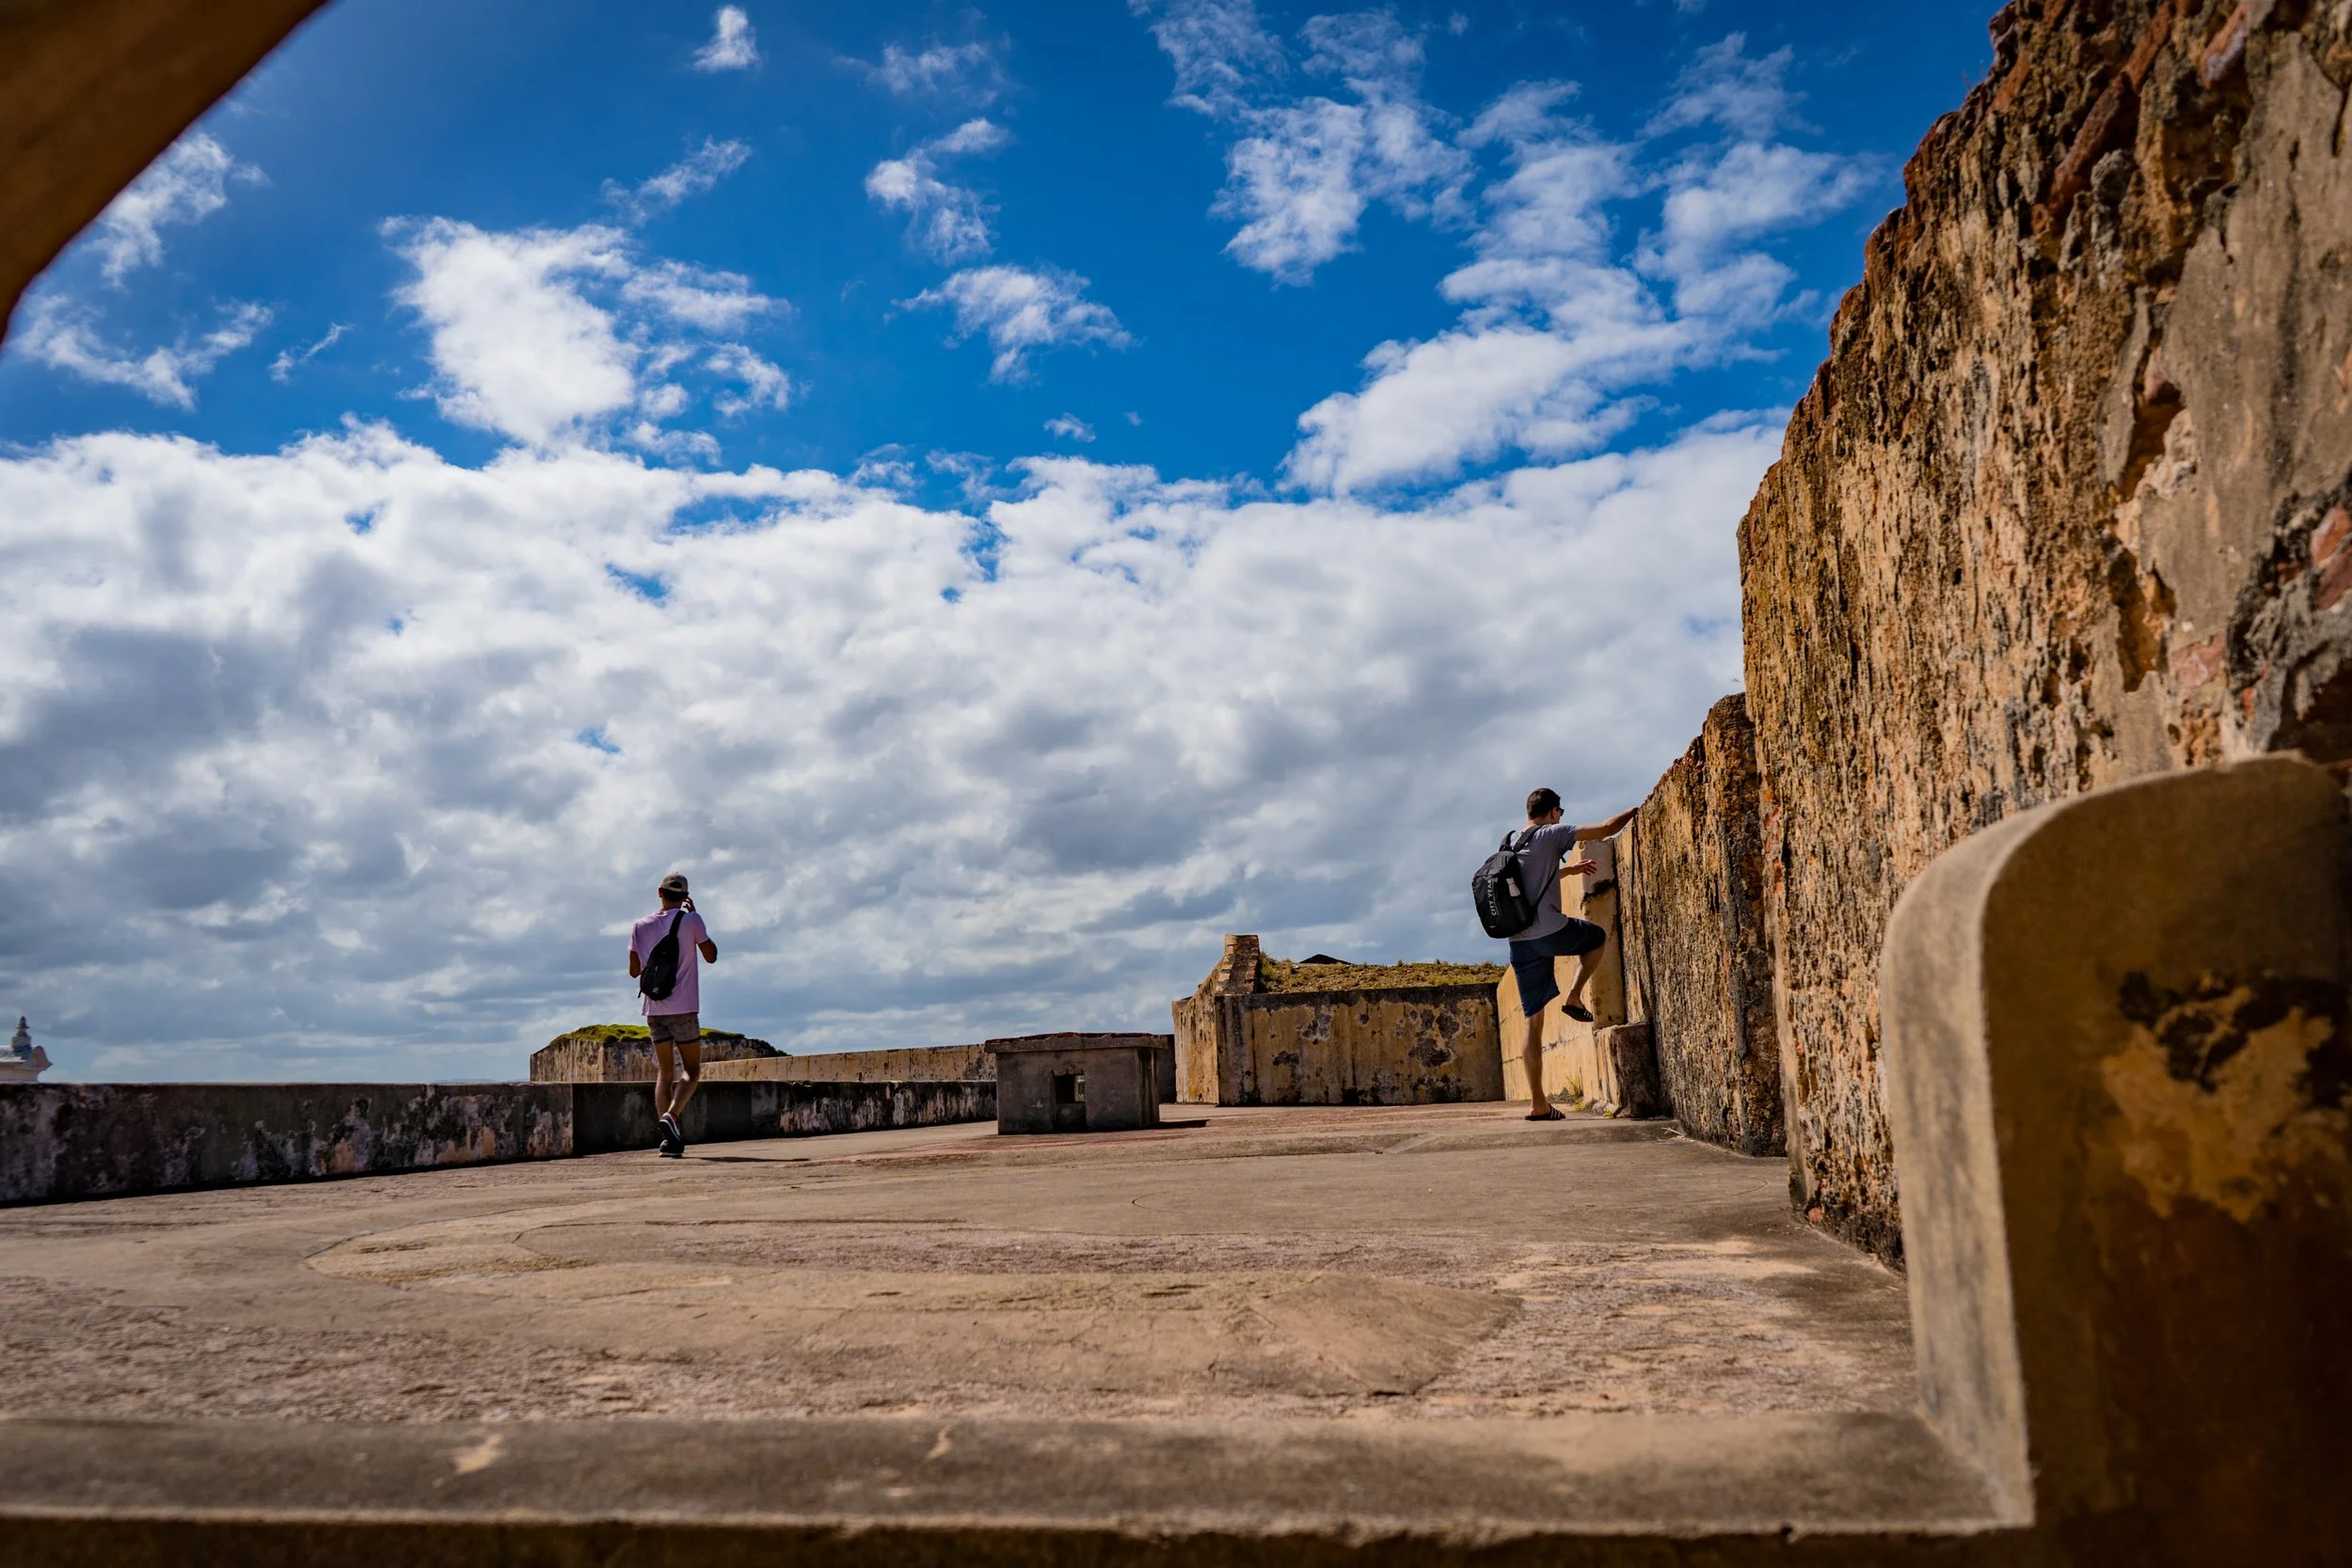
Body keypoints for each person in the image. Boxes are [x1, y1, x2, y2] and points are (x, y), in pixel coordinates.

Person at [1503, 788, 1637, 1121]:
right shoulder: (1554, 832)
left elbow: (1530, 881)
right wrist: (1637, 808)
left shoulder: (1510, 841)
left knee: (1533, 1023)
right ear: (1551, 812)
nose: (1560, 817)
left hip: (1519, 941)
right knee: (1596, 937)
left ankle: (1538, 1104)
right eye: (1559, 812)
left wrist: (1570, 872)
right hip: (1550, 931)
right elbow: (1607, 828)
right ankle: (1574, 997)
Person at [627, 871, 718, 1157]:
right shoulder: (692, 920)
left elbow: (633, 971)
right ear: (685, 897)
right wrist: (696, 919)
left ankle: (668, 1141)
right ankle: (672, 1116)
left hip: (654, 1010)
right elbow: (711, 955)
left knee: (665, 1073)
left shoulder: (640, 926)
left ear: (660, 893)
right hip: (684, 1009)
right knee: (691, 1071)